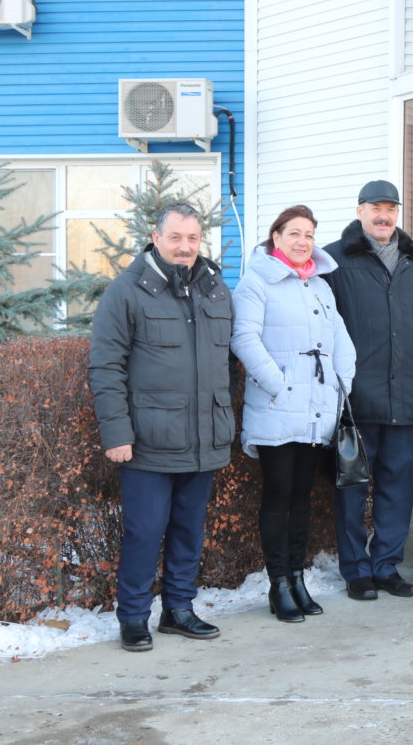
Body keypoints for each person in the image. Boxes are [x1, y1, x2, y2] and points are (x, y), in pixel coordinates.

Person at [89, 203, 234, 652]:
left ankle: (179, 610)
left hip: (203, 438)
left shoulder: (214, 289)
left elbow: (224, 365)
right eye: (175, 237)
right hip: (149, 442)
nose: (185, 247)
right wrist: (117, 434)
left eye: (193, 238)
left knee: (189, 531)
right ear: (156, 238)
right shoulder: (126, 291)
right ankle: (133, 617)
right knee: (145, 532)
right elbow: (106, 367)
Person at [231, 205, 356, 623]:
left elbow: (340, 339)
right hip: (277, 407)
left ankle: (298, 579)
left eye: (309, 235)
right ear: (277, 237)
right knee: (278, 495)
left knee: (303, 496)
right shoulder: (256, 282)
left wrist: (341, 384)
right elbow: (244, 338)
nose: (303, 242)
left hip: (317, 409)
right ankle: (279, 583)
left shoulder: (320, 285)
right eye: (294, 233)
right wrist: (280, 385)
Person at [323, 179, 413, 601]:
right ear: (360, 211)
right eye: (375, 207)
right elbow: (324, 325)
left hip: (408, 395)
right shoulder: (335, 260)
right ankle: (356, 570)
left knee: (397, 489)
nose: (383, 215)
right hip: (358, 399)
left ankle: (386, 566)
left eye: (391, 208)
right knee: (352, 489)